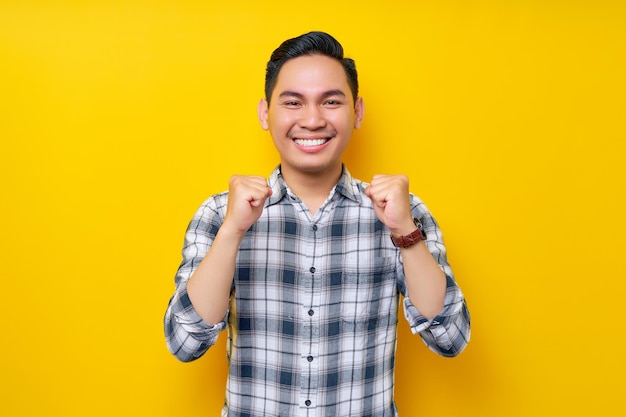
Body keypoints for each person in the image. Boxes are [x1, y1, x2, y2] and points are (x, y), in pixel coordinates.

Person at [164, 31, 470, 416]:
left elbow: (450, 338)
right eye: (293, 102)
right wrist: (232, 232)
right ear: (265, 113)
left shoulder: (401, 212)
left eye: (331, 102)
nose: (312, 120)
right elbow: (185, 343)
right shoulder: (220, 214)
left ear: (357, 112)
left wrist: (404, 232)